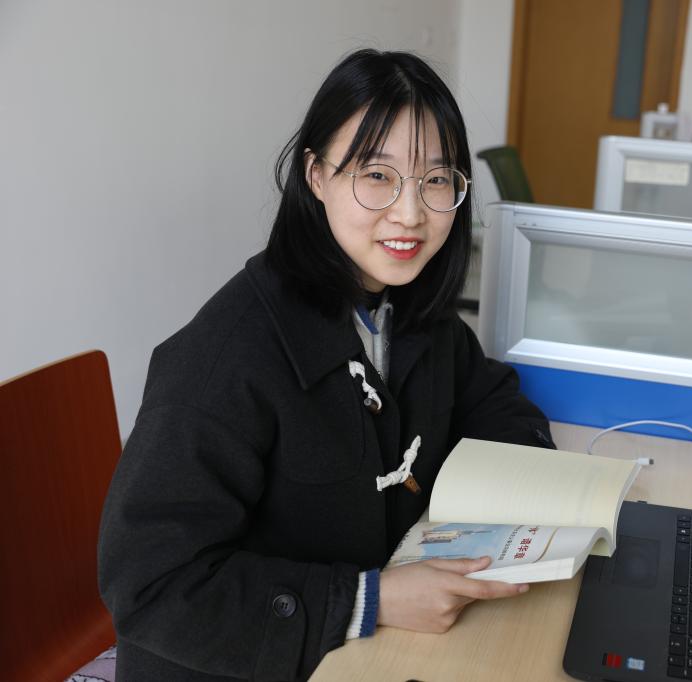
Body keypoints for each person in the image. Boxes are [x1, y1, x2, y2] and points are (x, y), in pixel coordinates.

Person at [98, 48, 555, 681]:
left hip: (368, 653)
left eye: (436, 179)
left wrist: (517, 493)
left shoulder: (407, 307)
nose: (411, 213)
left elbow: (492, 398)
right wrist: (370, 601)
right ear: (316, 176)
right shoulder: (221, 361)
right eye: (377, 175)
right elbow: (151, 585)